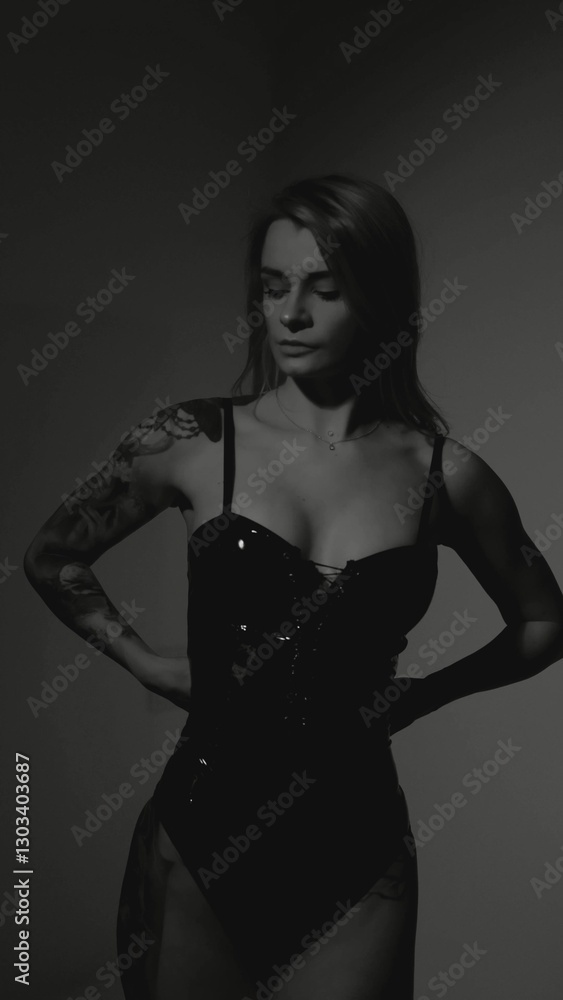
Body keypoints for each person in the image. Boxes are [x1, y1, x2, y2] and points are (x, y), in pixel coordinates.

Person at [23, 174, 563, 999]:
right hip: (200, 830)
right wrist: (143, 662)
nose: (290, 314)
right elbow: (53, 556)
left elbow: (542, 621)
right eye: (273, 287)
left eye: (324, 290)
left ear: (378, 299)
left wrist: (425, 694)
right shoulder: (194, 440)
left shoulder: (444, 473)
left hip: (359, 850)